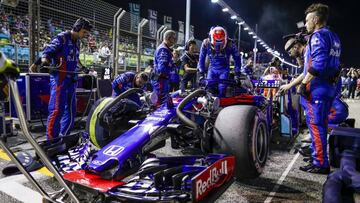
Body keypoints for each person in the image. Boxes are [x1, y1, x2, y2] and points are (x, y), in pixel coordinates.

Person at [296, 3, 341, 174]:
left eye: (307, 20)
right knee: (321, 125)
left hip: (317, 88)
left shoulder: (317, 36)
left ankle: (320, 162)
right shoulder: (334, 36)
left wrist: (302, 84)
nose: (306, 24)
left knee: (316, 126)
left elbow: (318, 64)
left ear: (315, 19)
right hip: (329, 87)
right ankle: (319, 158)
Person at [42, 18, 92, 143]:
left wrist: (83, 68)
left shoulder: (78, 42)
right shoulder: (62, 38)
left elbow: (75, 58)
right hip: (60, 79)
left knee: (71, 111)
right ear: (78, 28)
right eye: (85, 32)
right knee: (56, 110)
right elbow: (46, 52)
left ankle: (64, 137)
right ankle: (51, 141)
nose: (86, 35)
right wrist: (45, 63)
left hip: (72, 80)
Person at [198, 26, 241, 97]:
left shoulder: (231, 44)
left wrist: (237, 74)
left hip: (224, 70)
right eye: (216, 45)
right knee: (209, 89)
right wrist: (201, 73)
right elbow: (201, 58)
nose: (218, 47)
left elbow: (237, 59)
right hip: (212, 69)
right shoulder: (206, 43)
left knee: (222, 89)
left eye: (221, 45)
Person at [151, 30, 177, 106]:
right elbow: (162, 68)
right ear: (169, 38)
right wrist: (172, 72)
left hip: (161, 80)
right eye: (174, 38)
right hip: (160, 80)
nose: (175, 40)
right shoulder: (163, 49)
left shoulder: (165, 48)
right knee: (160, 104)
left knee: (163, 102)